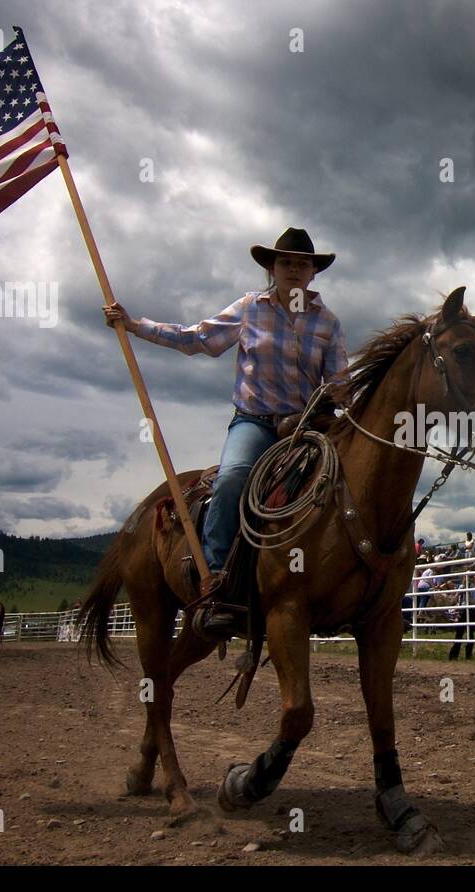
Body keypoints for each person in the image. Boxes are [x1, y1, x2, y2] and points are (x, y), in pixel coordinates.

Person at [104, 228, 347, 640]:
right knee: (235, 475)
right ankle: (215, 578)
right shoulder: (251, 308)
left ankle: (347, 582)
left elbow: (338, 380)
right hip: (255, 421)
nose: (294, 269)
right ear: (272, 267)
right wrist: (134, 325)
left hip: (307, 426)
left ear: (312, 273)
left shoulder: (328, 322)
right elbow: (198, 338)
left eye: (302, 263)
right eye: (285, 262)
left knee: (347, 479)